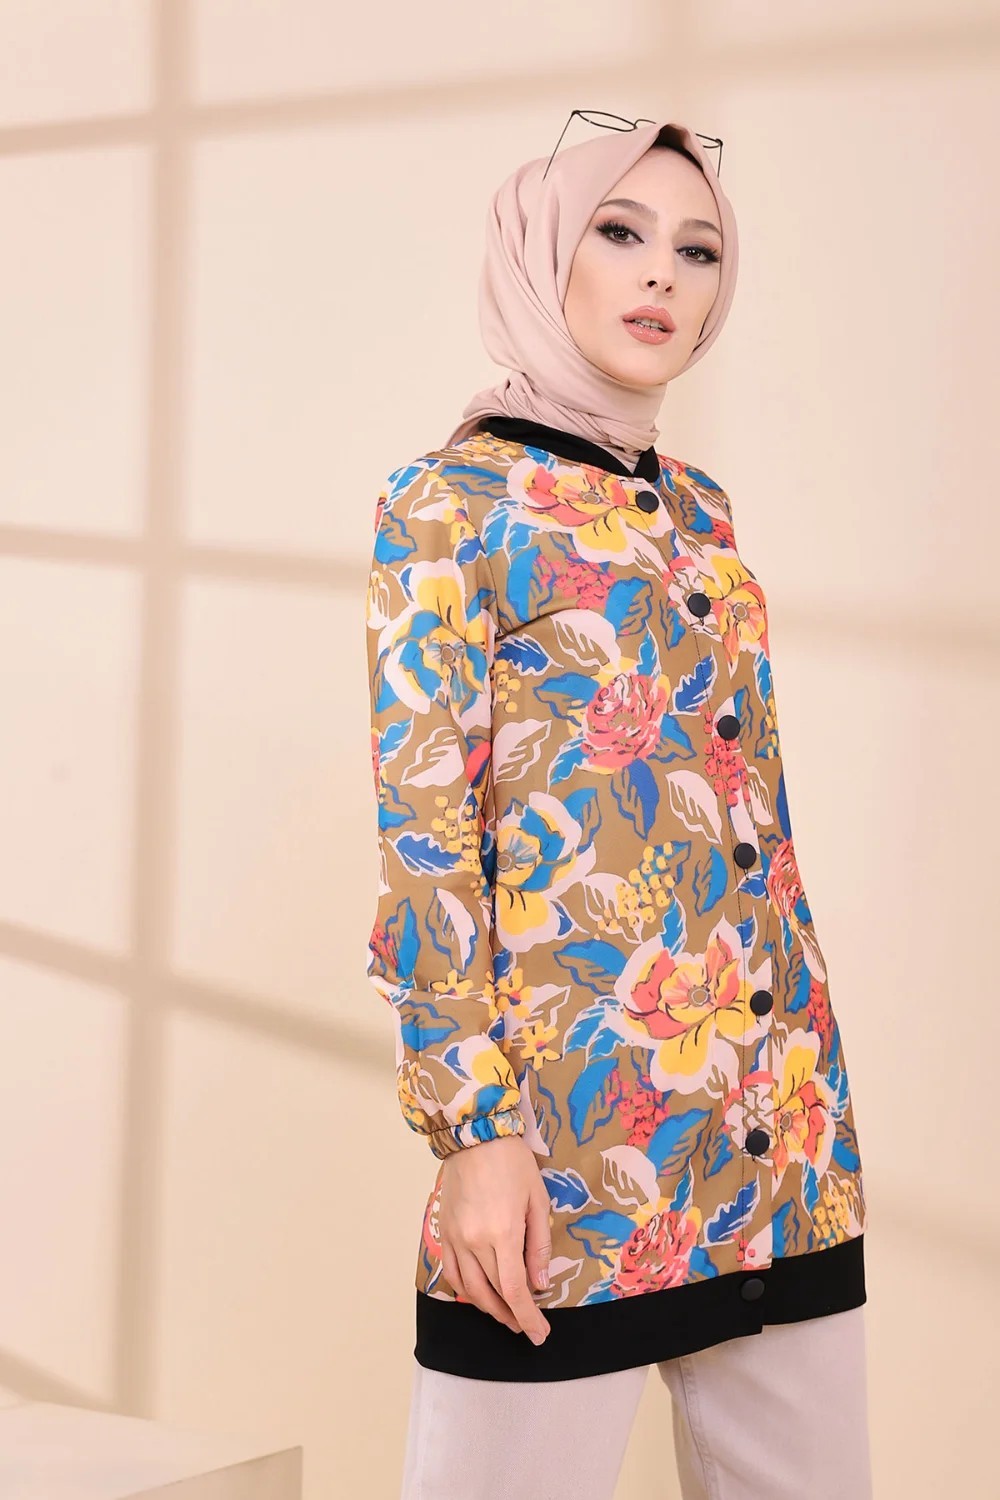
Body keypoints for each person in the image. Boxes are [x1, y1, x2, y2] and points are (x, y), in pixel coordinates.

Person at [363, 113, 873, 1500]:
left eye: (699, 250)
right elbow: (427, 848)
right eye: (621, 232)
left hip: (782, 1131)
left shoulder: (703, 511)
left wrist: (805, 1093)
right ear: (545, 253)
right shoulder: (449, 505)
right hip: (571, 1147)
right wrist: (475, 1139)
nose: (663, 274)